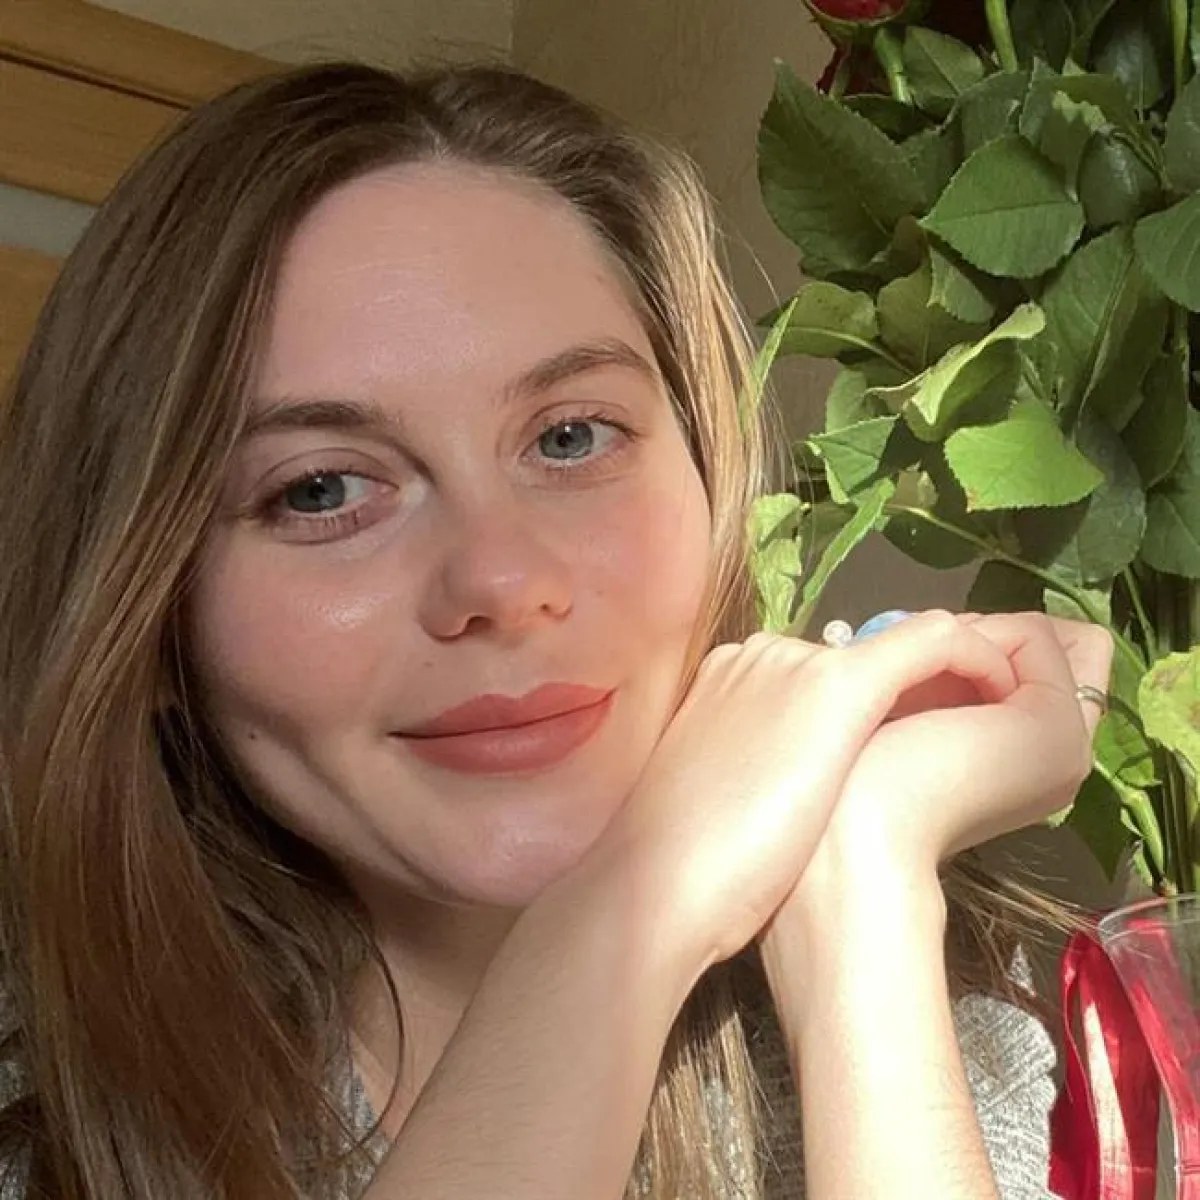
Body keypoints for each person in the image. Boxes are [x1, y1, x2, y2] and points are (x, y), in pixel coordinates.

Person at [0, 61, 1111, 1200]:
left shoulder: (952, 1000)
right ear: (146, 616)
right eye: (321, 490)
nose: (501, 578)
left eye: (571, 437)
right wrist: (640, 899)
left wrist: (860, 901)